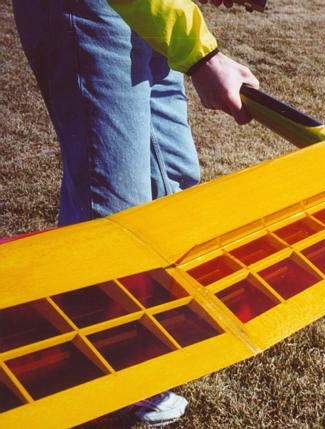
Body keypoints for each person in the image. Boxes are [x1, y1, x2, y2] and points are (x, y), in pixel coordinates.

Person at [12, 0, 259, 425]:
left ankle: (139, 347)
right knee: (110, 205)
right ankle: (94, 373)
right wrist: (202, 55)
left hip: (154, 10)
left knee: (173, 181)